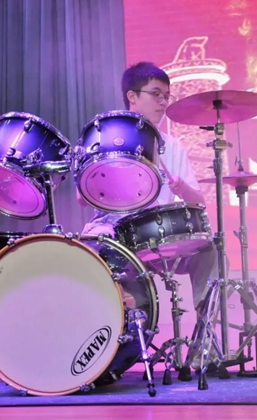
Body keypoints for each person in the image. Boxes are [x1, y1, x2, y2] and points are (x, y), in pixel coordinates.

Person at [77, 62, 225, 343]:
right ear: (132, 96)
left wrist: (181, 186)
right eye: (156, 94)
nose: (163, 102)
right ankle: (121, 339)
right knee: (102, 251)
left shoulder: (172, 145)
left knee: (211, 249)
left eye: (166, 96)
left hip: (160, 237)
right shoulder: (107, 138)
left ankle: (204, 339)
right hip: (117, 234)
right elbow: (81, 197)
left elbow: (198, 202)